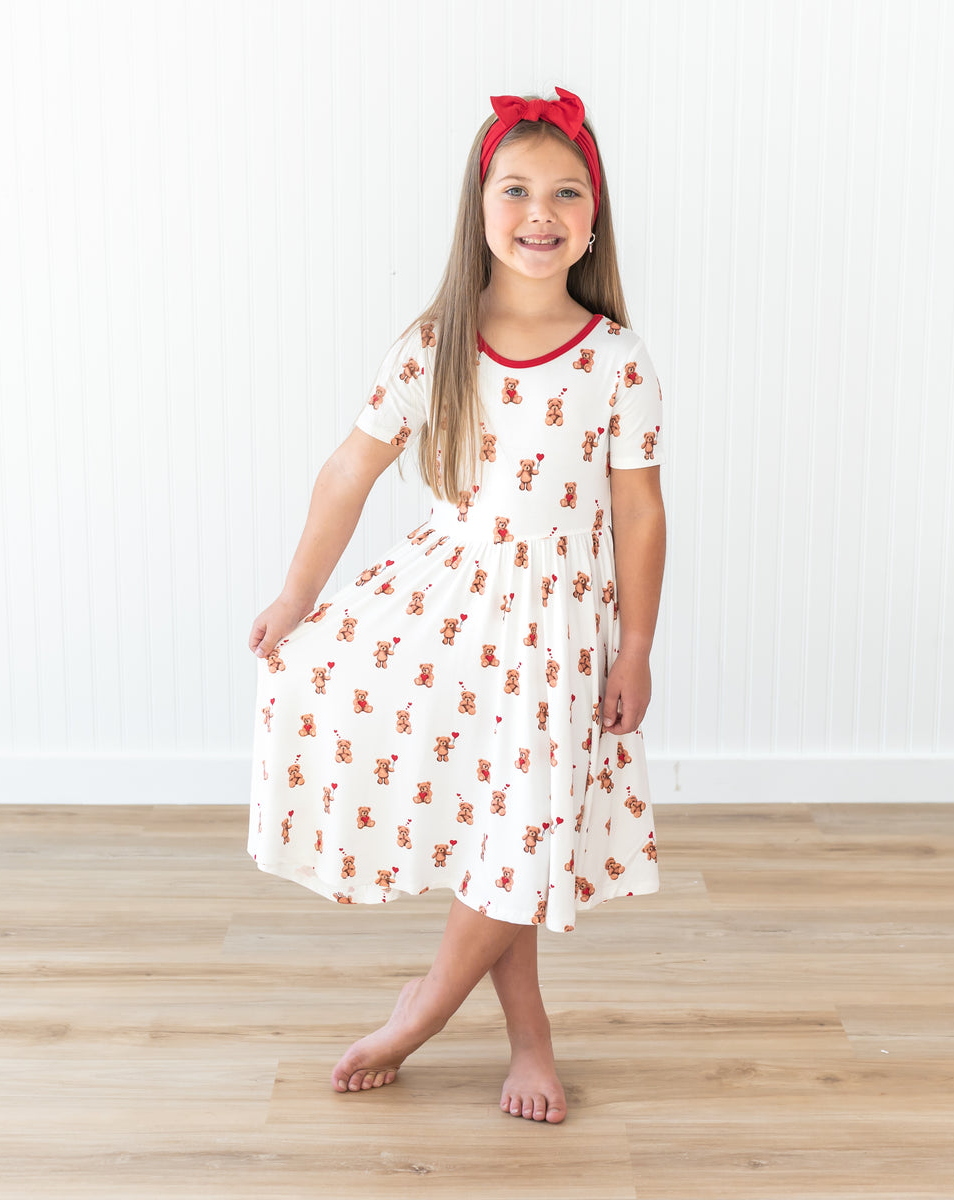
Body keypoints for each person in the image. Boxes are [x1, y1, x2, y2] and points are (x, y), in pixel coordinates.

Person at [245, 85, 666, 1124]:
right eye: (516, 189)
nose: (541, 210)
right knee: (502, 825)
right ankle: (526, 1036)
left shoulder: (615, 360)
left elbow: (642, 517)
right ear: (479, 212)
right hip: (449, 608)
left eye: (567, 191)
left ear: (594, 217)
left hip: (560, 627)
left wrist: (638, 647)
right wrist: (298, 594)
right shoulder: (437, 342)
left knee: (520, 822)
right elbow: (349, 471)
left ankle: (423, 1009)